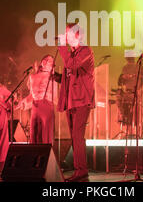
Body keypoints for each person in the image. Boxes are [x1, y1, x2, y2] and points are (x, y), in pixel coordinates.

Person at [56, 23, 95, 182]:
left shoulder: (86, 51)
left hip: (82, 100)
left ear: (77, 35)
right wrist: (55, 76)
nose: (64, 36)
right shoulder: (72, 54)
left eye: (67, 33)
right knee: (74, 137)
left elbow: (71, 65)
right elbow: (69, 76)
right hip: (71, 101)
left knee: (78, 136)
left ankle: (82, 171)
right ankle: (80, 169)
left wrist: (61, 47)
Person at [17, 55, 58, 144]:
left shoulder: (48, 77)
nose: (50, 63)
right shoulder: (38, 77)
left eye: (51, 61)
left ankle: (40, 154)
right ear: (43, 62)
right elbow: (33, 95)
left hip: (41, 107)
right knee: (41, 134)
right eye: (48, 61)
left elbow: (54, 97)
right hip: (41, 107)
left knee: (40, 133)